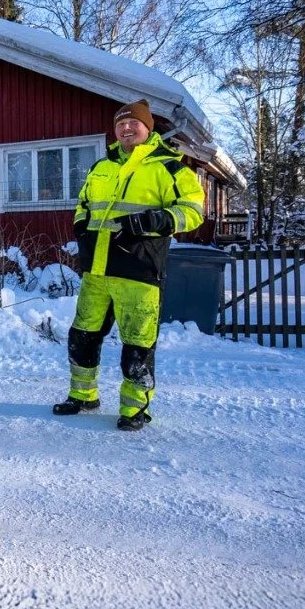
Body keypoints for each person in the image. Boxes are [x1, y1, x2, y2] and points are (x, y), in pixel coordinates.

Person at [53, 99, 205, 431]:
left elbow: (193, 210)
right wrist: (81, 228)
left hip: (138, 270)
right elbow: (83, 204)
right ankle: (83, 395)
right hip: (96, 270)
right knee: (82, 335)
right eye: (120, 124)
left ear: (147, 128)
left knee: (137, 342)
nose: (126, 128)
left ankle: (135, 409)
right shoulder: (101, 167)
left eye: (133, 123)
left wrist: (157, 219)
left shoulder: (169, 168)